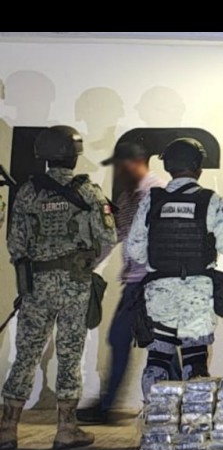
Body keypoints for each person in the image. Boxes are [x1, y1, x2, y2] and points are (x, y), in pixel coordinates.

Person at [0, 126, 116, 450]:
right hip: (75, 284)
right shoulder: (89, 192)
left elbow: (15, 245)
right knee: (69, 355)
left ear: (44, 156)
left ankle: (7, 429)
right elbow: (108, 237)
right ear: (74, 156)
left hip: (36, 286)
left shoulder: (28, 192)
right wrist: (87, 262)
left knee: (25, 355)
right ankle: (66, 429)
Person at [126, 138, 223, 399]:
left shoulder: (152, 199)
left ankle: (154, 417)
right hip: (197, 294)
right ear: (198, 167)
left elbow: (135, 250)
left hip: (159, 293)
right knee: (195, 361)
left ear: (168, 167)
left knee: (158, 359)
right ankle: (194, 421)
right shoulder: (212, 200)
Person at [77, 139, 171, 424]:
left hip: (150, 281)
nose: (117, 171)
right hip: (135, 281)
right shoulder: (129, 197)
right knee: (138, 340)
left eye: (120, 165)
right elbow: (114, 236)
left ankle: (113, 407)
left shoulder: (156, 191)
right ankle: (109, 406)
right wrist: (89, 265)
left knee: (156, 343)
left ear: (135, 163)